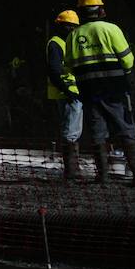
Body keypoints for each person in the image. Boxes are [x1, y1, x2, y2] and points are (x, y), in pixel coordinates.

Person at [65, 0, 135, 185]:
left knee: (98, 133)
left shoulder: (73, 36)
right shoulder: (111, 29)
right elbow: (128, 60)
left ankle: (102, 176)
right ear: (100, 10)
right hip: (115, 89)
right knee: (126, 129)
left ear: (81, 13)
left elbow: (68, 65)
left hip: (89, 92)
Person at [46, 10, 82, 180]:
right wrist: (66, 90)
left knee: (72, 130)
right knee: (71, 132)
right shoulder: (56, 43)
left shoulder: (70, 42)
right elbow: (54, 71)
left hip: (71, 92)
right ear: (60, 26)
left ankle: (73, 169)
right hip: (67, 93)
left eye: (74, 26)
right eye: (69, 26)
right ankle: (72, 171)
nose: (71, 29)